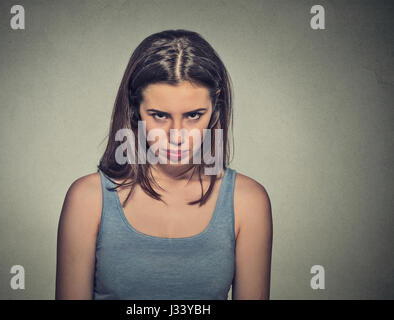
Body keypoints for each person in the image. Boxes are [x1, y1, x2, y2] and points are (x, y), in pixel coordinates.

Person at [55, 29, 272, 300]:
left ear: (216, 106)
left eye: (194, 115)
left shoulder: (247, 201)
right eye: (159, 115)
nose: (176, 135)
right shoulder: (87, 199)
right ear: (135, 111)